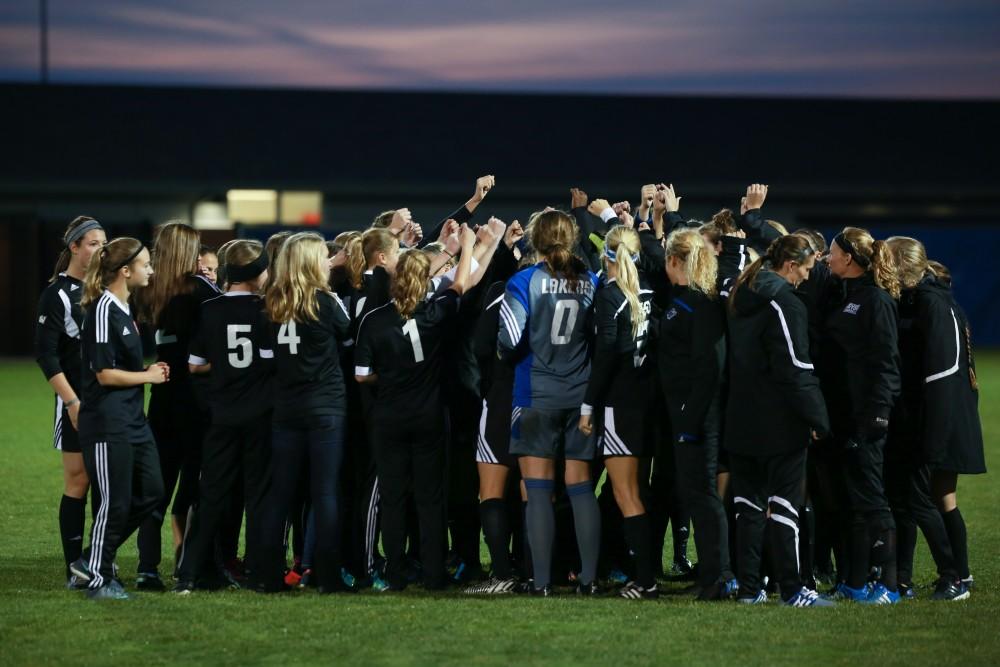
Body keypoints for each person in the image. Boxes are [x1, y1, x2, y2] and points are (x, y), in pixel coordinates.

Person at [354, 224, 477, 590]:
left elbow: (362, 375)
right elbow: (459, 285)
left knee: (393, 498)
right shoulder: (435, 312)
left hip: (389, 416)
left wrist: (389, 377)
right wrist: (466, 247)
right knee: (430, 498)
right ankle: (434, 575)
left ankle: (395, 576)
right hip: (428, 416)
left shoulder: (374, 321)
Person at [725, 235, 834, 607]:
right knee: (786, 503)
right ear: (790, 266)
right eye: (805, 269)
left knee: (748, 506)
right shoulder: (784, 301)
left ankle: (749, 590)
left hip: (739, 415)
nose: (806, 277)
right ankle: (792, 589)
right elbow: (795, 367)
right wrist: (817, 416)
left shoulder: (742, 291)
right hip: (778, 419)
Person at [498, 210, 601, 596]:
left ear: (534, 240)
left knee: (538, 490)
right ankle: (588, 581)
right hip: (580, 398)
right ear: (571, 239)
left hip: (535, 395)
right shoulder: (589, 280)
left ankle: (540, 583)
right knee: (580, 487)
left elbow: (508, 340)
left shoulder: (523, 281)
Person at [885, 237, 984, 601]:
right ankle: (956, 575)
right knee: (936, 498)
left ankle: (954, 577)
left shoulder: (932, 304)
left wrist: (933, 435)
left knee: (923, 498)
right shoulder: (925, 301)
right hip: (931, 419)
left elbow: (943, 374)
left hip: (937, 421)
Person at [174, 240, 274, 593]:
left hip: (222, 415)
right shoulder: (267, 308)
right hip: (261, 415)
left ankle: (189, 574)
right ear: (255, 273)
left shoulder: (211, 309)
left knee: (212, 496)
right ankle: (262, 574)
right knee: (259, 495)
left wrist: (225, 367)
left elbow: (195, 365)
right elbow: (270, 361)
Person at [71, 237, 167, 600]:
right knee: (116, 502)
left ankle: (89, 560)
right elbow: (104, 374)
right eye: (145, 265)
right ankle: (96, 576)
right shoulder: (101, 309)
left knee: (153, 491)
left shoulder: (124, 308)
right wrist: (147, 376)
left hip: (132, 421)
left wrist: (144, 370)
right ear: (125, 271)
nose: (151, 271)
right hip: (108, 423)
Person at [259, 232, 352, 593]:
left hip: (286, 408)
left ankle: (267, 574)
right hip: (326, 406)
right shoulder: (326, 302)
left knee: (280, 494)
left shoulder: (272, 302)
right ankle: (326, 576)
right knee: (324, 493)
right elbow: (348, 341)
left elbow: (269, 359)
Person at [136, 221, 221, 590]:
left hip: (162, 398)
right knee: (195, 487)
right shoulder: (201, 288)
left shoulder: (149, 288)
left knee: (157, 487)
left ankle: (147, 569)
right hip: (198, 401)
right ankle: (189, 566)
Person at [821, 227, 902, 604]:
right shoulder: (845, 295)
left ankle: (887, 584)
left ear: (849, 258)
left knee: (872, 500)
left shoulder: (876, 301)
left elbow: (887, 362)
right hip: (842, 415)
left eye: (833, 252)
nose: (827, 258)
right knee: (849, 501)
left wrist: (880, 413)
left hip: (865, 416)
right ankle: (853, 582)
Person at [578, 226, 659, 599]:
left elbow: (606, 356)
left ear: (606, 256)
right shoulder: (650, 290)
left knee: (626, 494)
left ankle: (645, 581)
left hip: (619, 405)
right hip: (649, 404)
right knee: (635, 491)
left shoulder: (610, 296)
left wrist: (587, 404)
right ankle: (642, 574)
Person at [657, 229, 736, 600]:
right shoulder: (685, 300)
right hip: (685, 414)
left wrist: (691, 414)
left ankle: (718, 578)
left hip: (697, 417)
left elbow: (711, 365)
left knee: (704, 496)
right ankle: (709, 575)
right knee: (696, 496)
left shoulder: (699, 304)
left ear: (675, 260)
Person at [34, 216, 107, 586]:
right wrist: (73, 403)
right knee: (79, 481)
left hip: (110, 402)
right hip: (78, 401)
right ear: (74, 248)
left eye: (103, 243)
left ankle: (100, 561)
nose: (99, 249)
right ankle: (74, 567)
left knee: (109, 483)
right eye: (92, 243)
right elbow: (46, 356)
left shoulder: (107, 289)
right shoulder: (58, 294)